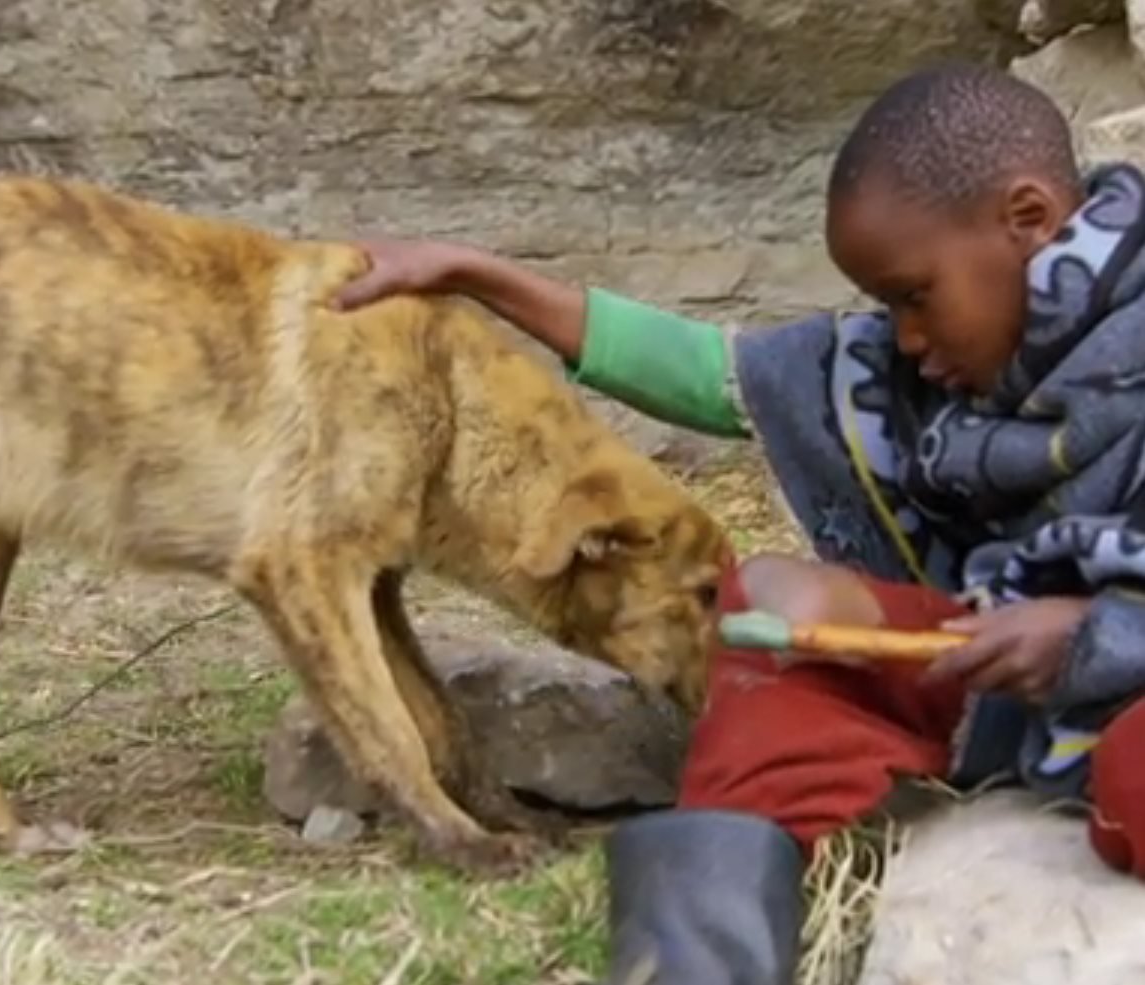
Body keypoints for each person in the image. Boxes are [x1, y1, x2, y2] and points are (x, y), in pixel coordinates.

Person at [331, 62, 1145, 985]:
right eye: (888, 308)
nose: (906, 340)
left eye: (915, 296)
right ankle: (696, 963)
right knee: (770, 612)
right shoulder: (942, 372)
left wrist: (1097, 630)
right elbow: (716, 376)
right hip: (1007, 670)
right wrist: (470, 272)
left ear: (1028, 219)